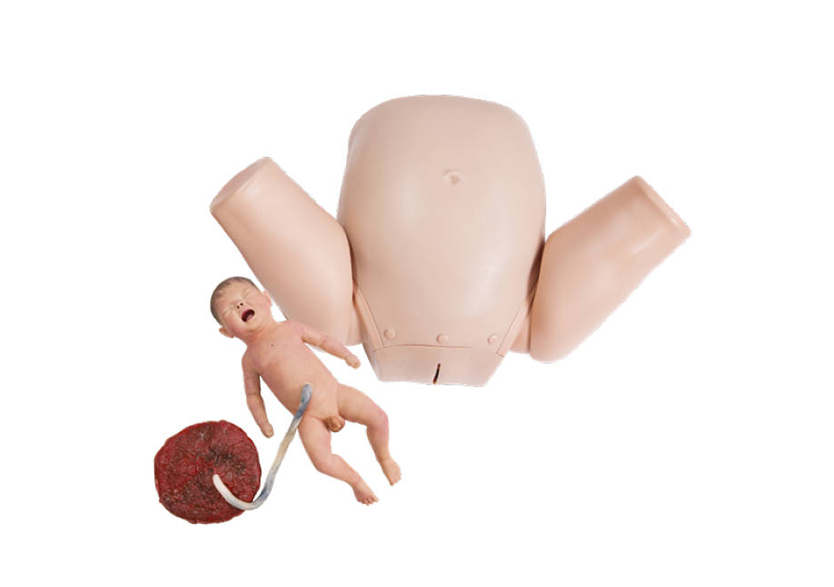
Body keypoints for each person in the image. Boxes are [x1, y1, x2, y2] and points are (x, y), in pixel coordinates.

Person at [211, 276, 401, 505]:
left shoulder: (290, 328)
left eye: (246, 296)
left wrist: (346, 355)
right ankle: (356, 482)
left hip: (335, 394)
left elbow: (322, 340)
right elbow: (253, 396)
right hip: (308, 417)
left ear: (267, 298)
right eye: (229, 309)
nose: (240, 304)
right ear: (227, 332)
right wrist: (264, 423)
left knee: (379, 418)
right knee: (321, 461)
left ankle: (384, 457)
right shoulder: (250, 359)